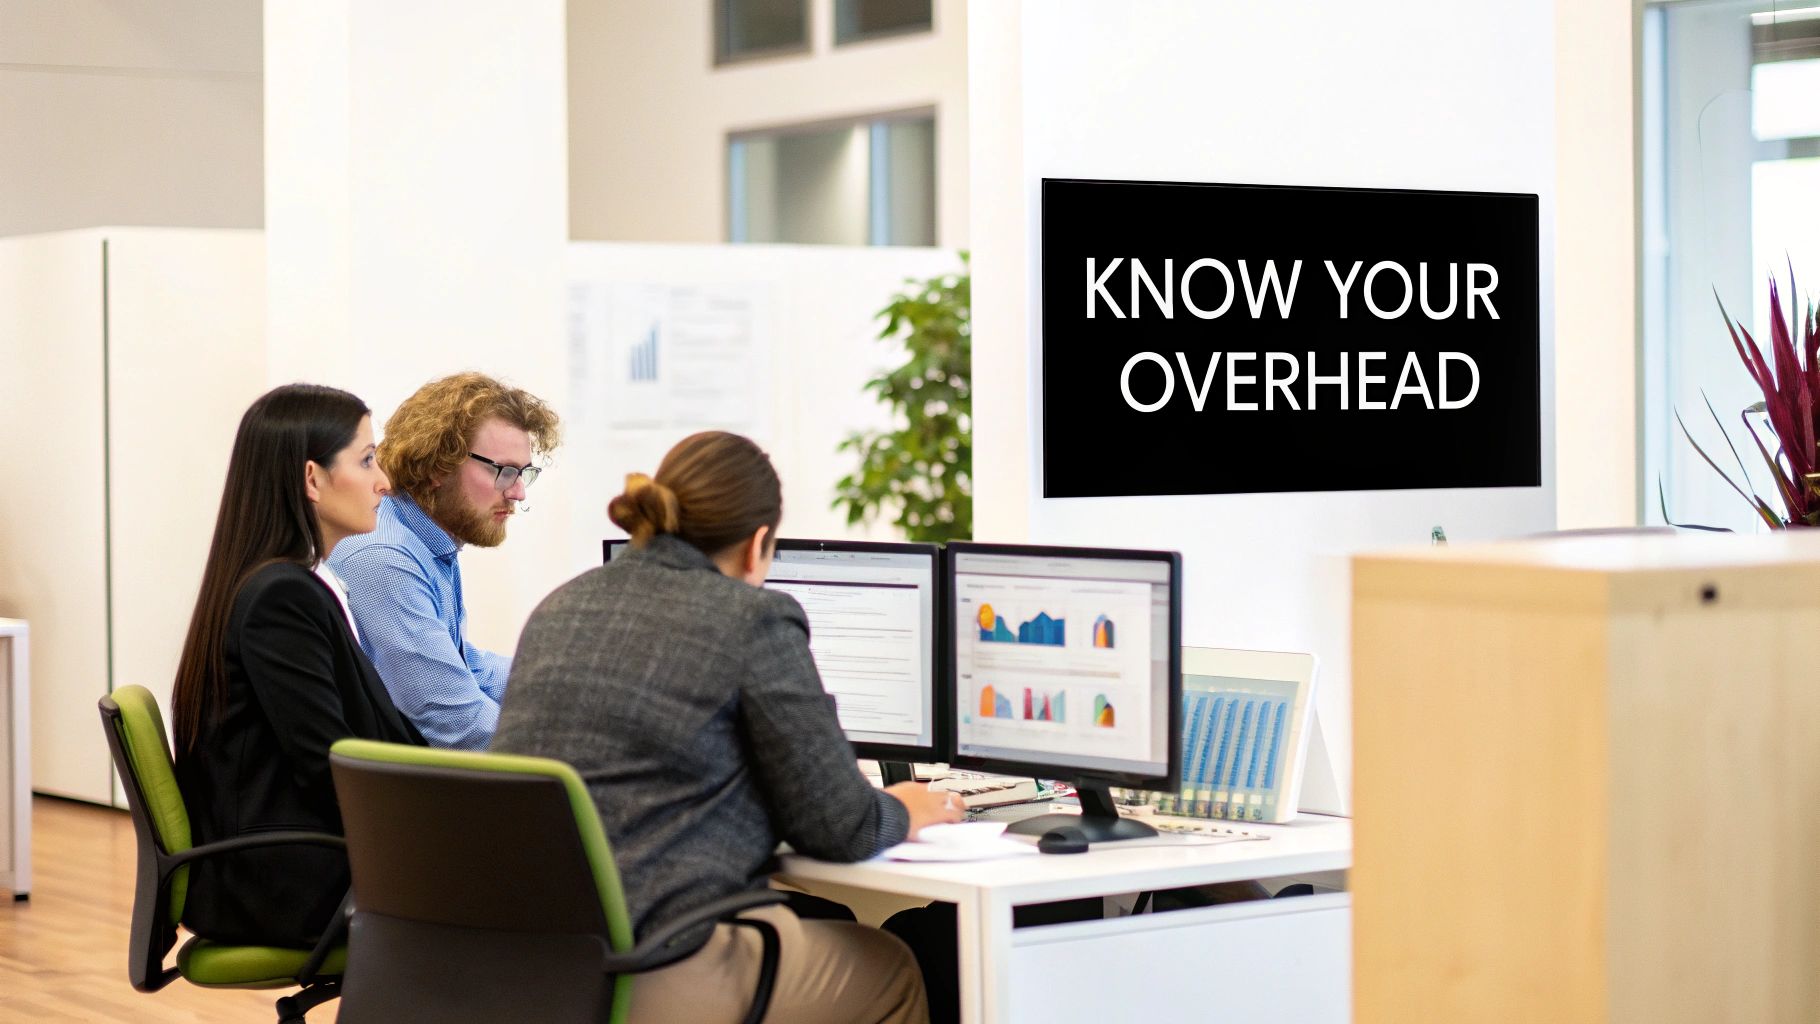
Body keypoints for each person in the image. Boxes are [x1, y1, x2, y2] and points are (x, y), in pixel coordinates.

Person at [491, 431, 962, 1024]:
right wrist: (906, 810)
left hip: (520, 963)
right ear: (759, 544)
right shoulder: (752, 617)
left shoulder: (561, 605)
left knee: (816, 924)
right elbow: (840, 829)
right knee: (889, 966)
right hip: (650, 964)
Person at [172, 384, 425, 949]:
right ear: (312, 479)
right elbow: (331, 764)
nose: (384, 481)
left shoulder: (277, 583)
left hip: (286, 865)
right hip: (287, 882)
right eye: (367, 460)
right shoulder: (281, 596)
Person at [326, 372, 560, 750]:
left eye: (523, 473)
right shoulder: (386, 557)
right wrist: (580, 752)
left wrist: (573, 685)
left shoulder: (426, 539)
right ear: (438, 466)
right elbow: (456, 723)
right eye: (503, 471)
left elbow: (468, 669)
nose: (516, 492)